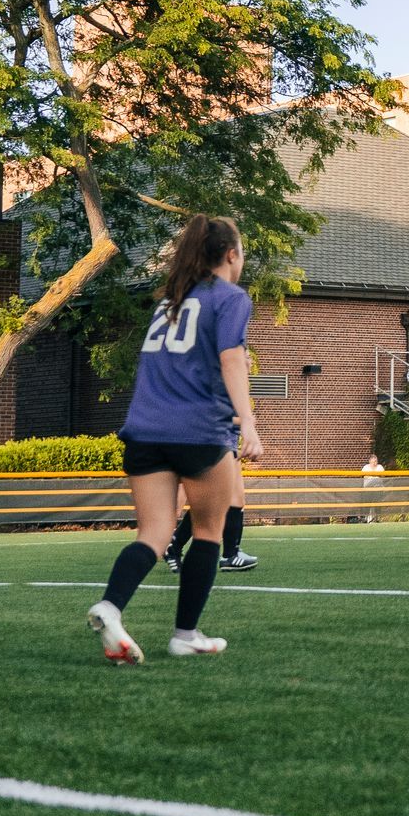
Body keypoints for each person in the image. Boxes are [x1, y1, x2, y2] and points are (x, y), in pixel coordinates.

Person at [85, 213, 264, 664]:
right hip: (201, 431)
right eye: (242, 252)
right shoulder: (230, 298)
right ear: (230, 254)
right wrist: (249, 421)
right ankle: (185, 634)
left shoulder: (167, 303)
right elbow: (231, 361)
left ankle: (110, 606)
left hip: (144, 432)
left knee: (154, 533)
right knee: (208, 532)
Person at [165, 444, 257, 576]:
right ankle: (230, 555)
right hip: (216, 440)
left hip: (221, 441)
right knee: (231, 498)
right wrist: (249, 432)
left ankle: (175, 544)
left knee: (217, 499)